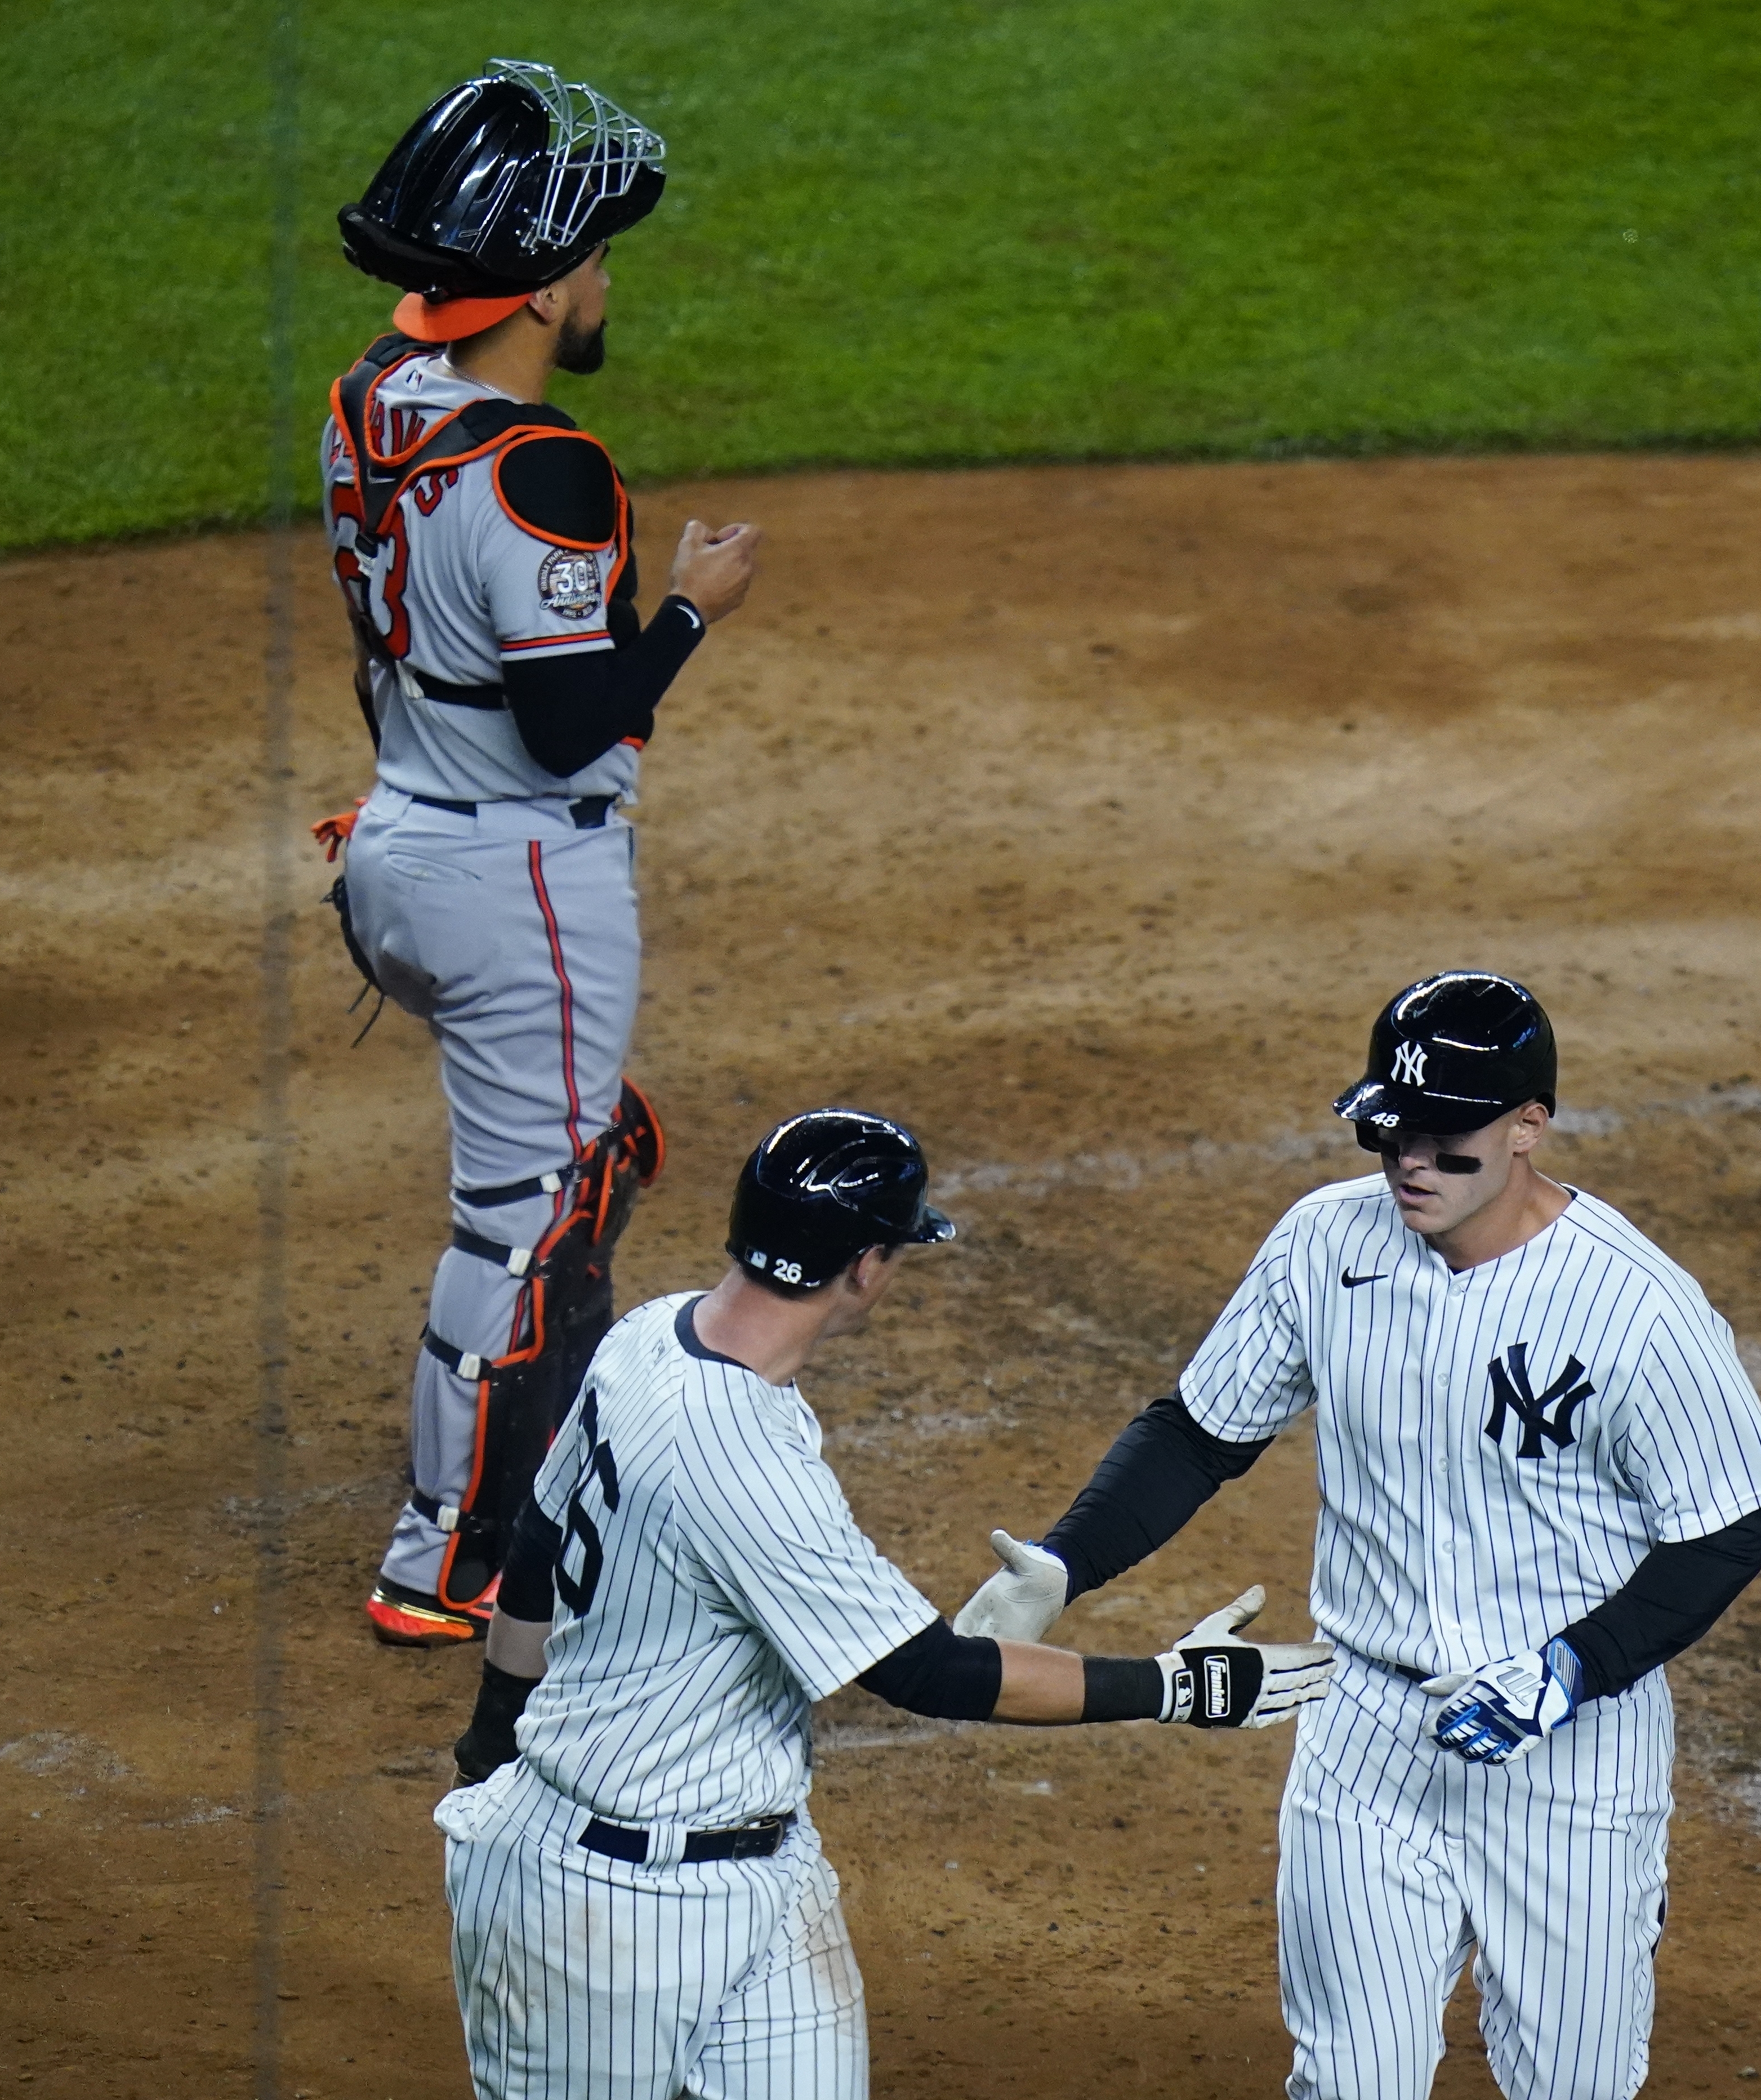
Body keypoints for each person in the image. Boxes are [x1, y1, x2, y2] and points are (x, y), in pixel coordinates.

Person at [951, 973, 1761, 2100]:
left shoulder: (1635, 1305)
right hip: (1365, 1733)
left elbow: (1730, 1526)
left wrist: (1569, 1667)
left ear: (1529, 1127)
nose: (1409, 1161)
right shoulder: (1325, 1244)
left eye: (1448, 1140)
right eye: (1390, 1130)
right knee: (1353, 2081)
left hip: (1571, 1749)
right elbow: (1201, 1433)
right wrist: (1067, 1562)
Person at [441, 1110, 1336, 2100]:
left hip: (765, 1875)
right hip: (595, 1910)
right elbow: (927, 1670)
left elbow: (536, 1541)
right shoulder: (742, 1459)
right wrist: (1173, 1686)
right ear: (866, 1265)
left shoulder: (650, 1335)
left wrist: (492, 1732)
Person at [317, 59, 764, 1643]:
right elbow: (577, 726)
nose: (601, 283)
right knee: (530, 1209)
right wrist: (695, 604)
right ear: (537, 283)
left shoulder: (368, 396)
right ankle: (447, 1556)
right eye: (589, 257)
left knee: (589, 1155)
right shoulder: (549, 469)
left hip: (393, 849)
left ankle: (522, 1429)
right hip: (516, 882)